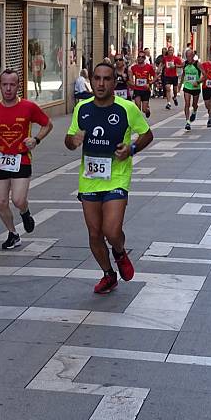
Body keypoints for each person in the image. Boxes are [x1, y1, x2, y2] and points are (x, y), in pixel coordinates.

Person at [64, 62, 153, 294]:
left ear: (115, 82)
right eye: (97, 78)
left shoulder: (127, 108)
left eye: (106, 79)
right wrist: (73, 141)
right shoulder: (82, 108)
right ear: (91, 81)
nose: (101, 83)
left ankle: (120, 252)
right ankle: (108, 274)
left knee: (111, 231)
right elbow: (70, 139)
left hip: (116, 177)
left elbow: (147, 134)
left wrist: (131, 149)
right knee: (94, 233)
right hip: (90, 179)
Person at [0, 69, 53, 249]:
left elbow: (47, 124)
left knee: (18, 200)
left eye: (12, 85)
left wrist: (36, 139)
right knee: (1, 202)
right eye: (5, 85)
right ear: (0, 86)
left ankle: (24, 212)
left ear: (18, 86)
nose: (8, 89)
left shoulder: (28, 107)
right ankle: (13, 233)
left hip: (21, 159)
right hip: (1, 159)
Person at [180, 50, 205, 131]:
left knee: (194, 104)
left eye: (190, 56)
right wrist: (180, 85)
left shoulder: (197, 64)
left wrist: (198, 82)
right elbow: (183, 74)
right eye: (187, 56)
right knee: (187, 103)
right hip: (187, 86)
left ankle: (194, 111)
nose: (189, 58)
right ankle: (187, 122)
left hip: (195, 87)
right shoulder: (185, 64)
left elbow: (205, 76)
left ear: (193, 56)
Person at [129, 50, 155, 118]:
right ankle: (138, 122)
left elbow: (154, 76)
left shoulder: (149, 67)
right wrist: (132, 83)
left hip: (146, 90)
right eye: (139, 56)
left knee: (144, 109)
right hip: (137, 89)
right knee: (137, 108)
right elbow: (130, 77)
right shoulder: (133, 67)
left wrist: (150, 83)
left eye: (142, 57)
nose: (140, 58)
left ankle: (147, 110)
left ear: (144, 58)